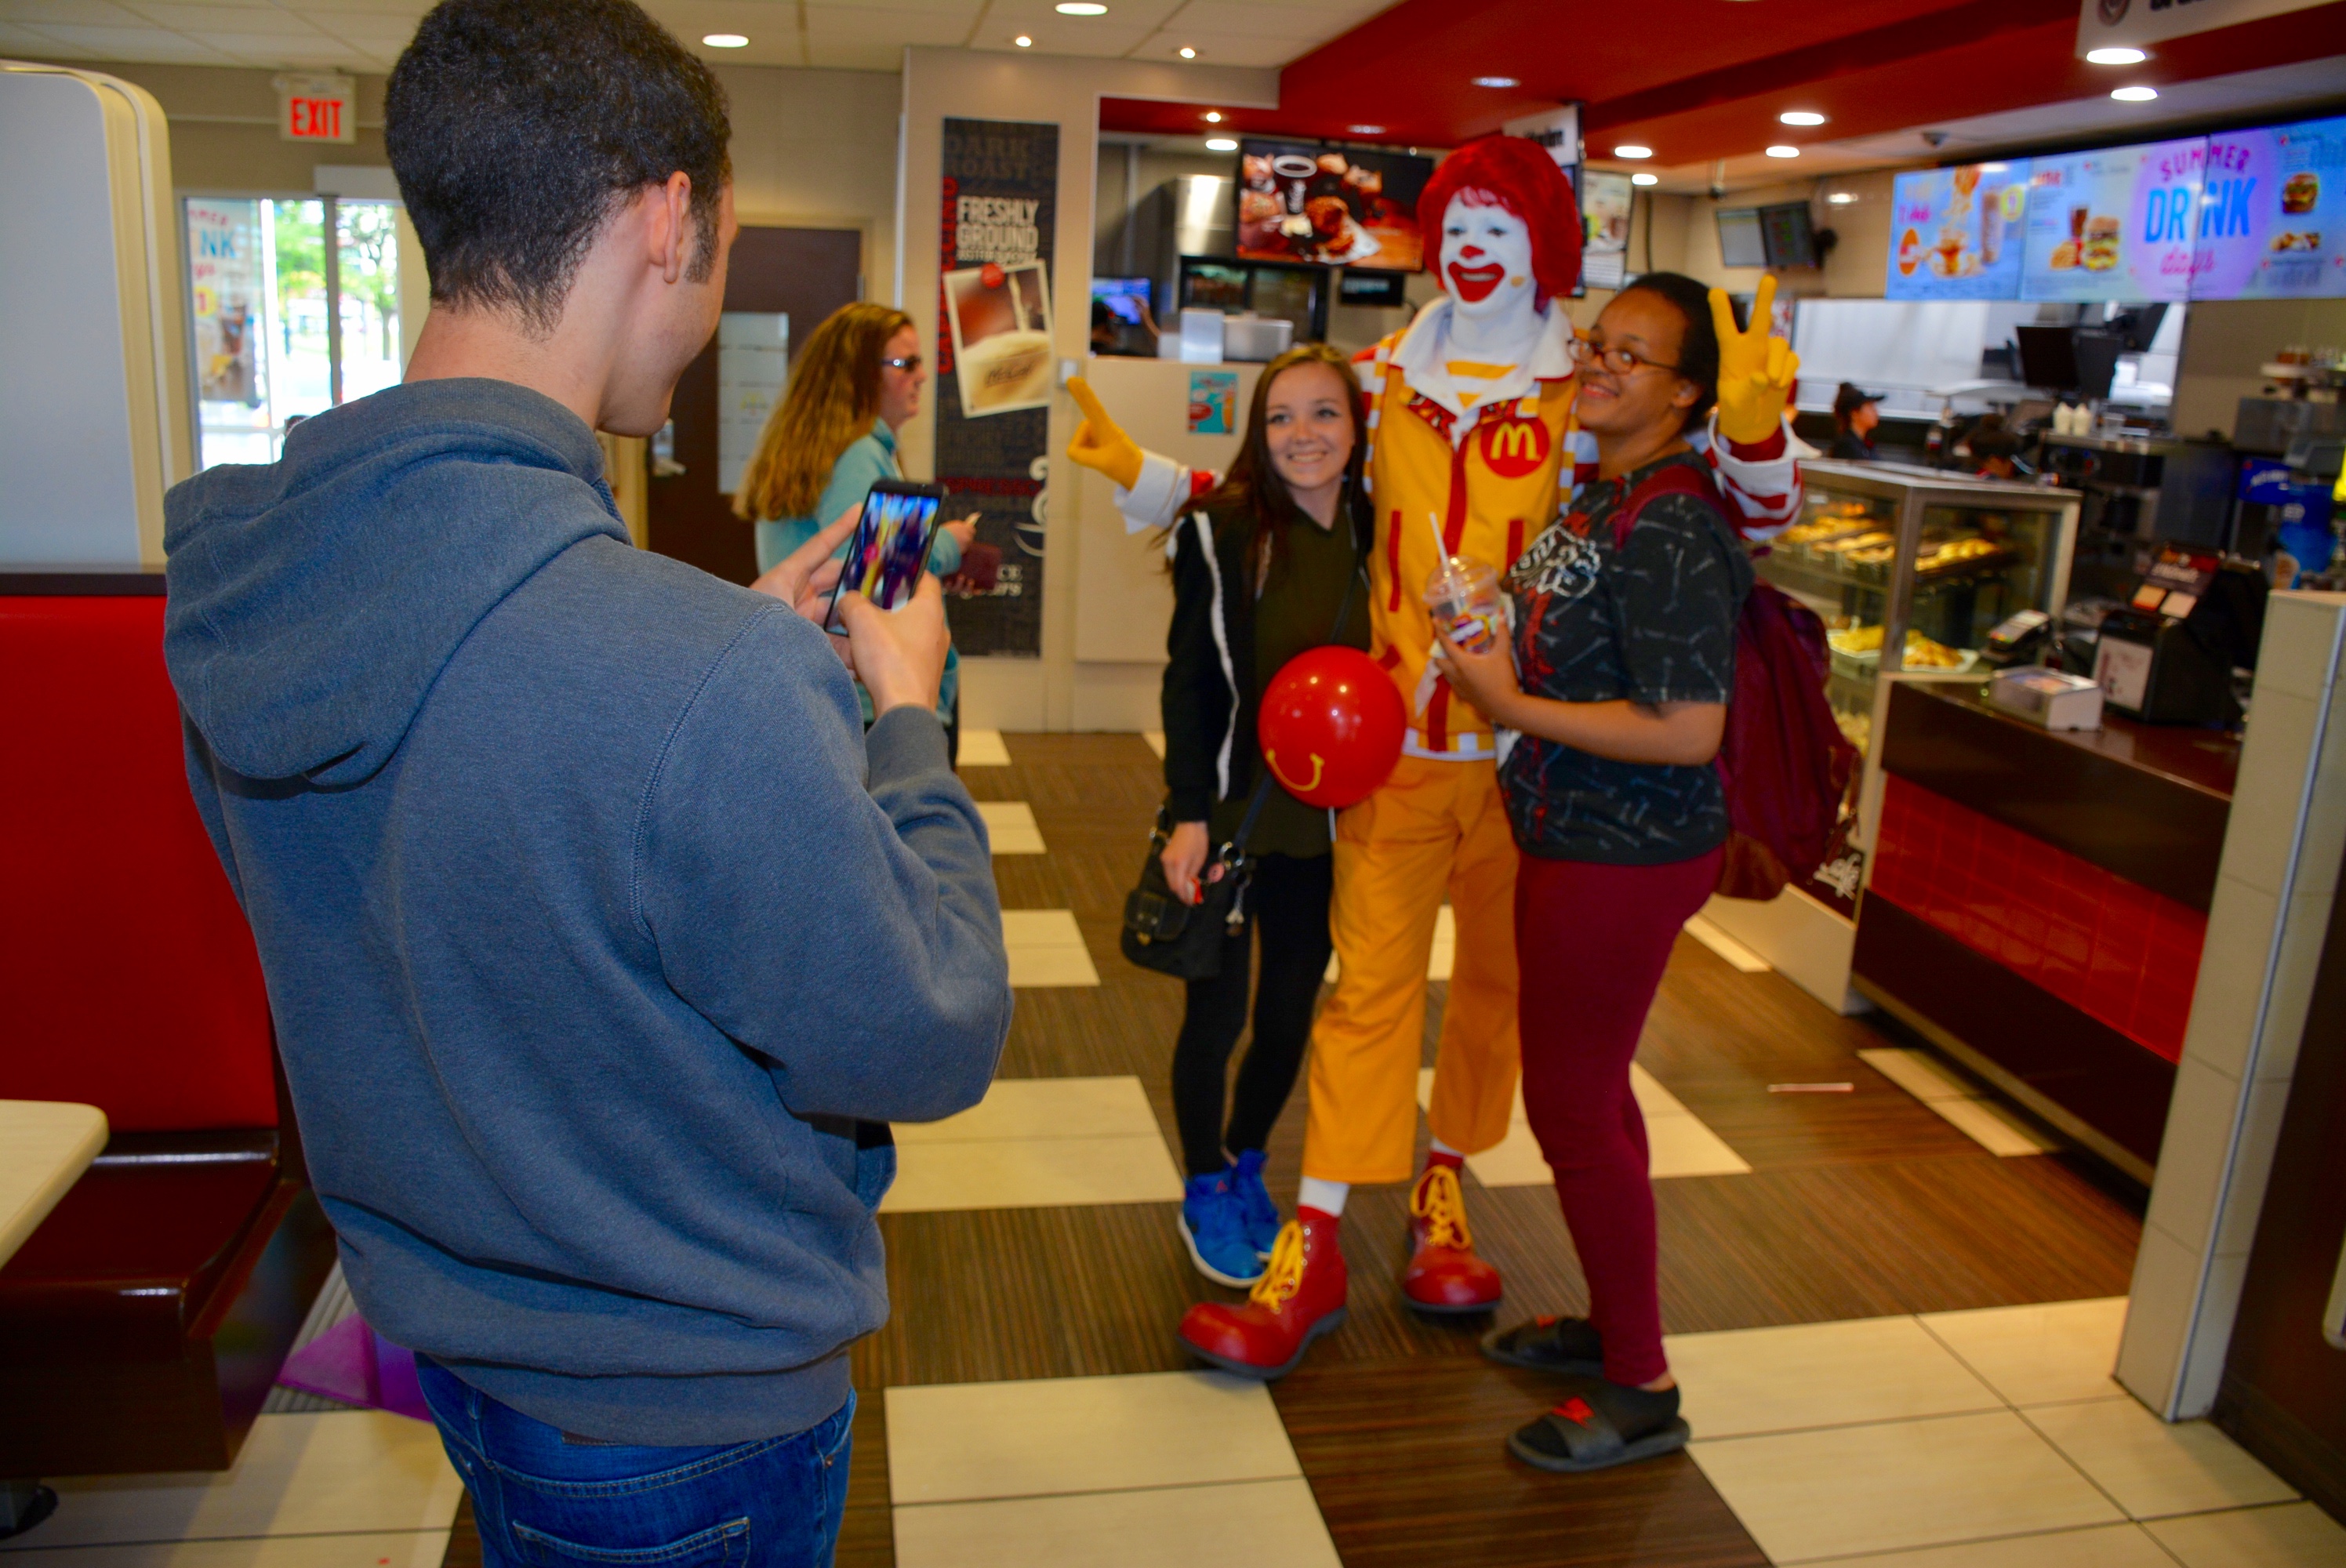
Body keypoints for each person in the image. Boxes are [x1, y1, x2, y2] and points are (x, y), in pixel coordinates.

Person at [159, 3, 1012, 1563]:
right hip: (687, 1406)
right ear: (666, 220)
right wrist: (901, 715)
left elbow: (452, 832)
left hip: (458, 1336)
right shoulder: (691, 678)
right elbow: (930, 1024)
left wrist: (722, 654)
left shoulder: (253, 590)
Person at [1073, 136, 1803, 1379]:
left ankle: (1444, 1185)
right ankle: (1317, 1237)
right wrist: (1151, 478)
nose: (1472, 247)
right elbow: (1296, 477)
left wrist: (1757, 432)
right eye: (1456, 223)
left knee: (1498, 994)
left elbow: (1739, 512)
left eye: (1498, 227)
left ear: (1544, 250)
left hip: (1537, 768)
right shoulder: (1381, 379)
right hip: (1393, 753)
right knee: (1365, 992)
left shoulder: (1588, 393)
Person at [1433, 272, 1752, 1474]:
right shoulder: (1605, 490)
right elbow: (1581, 639)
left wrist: (1508, 702)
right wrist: (1495, 616)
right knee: (1596, 1097)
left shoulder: (1671, 522)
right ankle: (1619, 1327)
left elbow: (1689, 729)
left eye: (1633, 355)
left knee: (1569, 1107)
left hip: (1625, 847)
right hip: (1571, 831)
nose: (1601, 365)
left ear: (1685, 395)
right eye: (1597, 343)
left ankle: (1642, 1387)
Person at [1148, 344, 1371, 1287]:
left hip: (1329, 828)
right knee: (1216, 1012)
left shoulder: (1379, 528)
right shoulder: (1224, 529)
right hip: (1237, 814)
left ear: (1357, 427)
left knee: (1287, 1015)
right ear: (1257, 432)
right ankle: (1203, 1182)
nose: (1302, 435)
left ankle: (1246, 1161)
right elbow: (1190, 682)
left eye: (1324, 412)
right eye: (1281, 416)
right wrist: (1187, 813)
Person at [735, 302, 975, 742]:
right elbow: (875, 582)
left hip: (829, 690)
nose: (922, 376)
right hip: (870, 698)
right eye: (906, 364)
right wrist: (948, 545)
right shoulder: (859, 454)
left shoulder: (823, 449)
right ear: (860, 374)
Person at [1829, 382, 1883, 459]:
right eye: (1870, 408)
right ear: (1854, 413)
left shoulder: (1865, 445)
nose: (1876, 413)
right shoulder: (1846, 446)